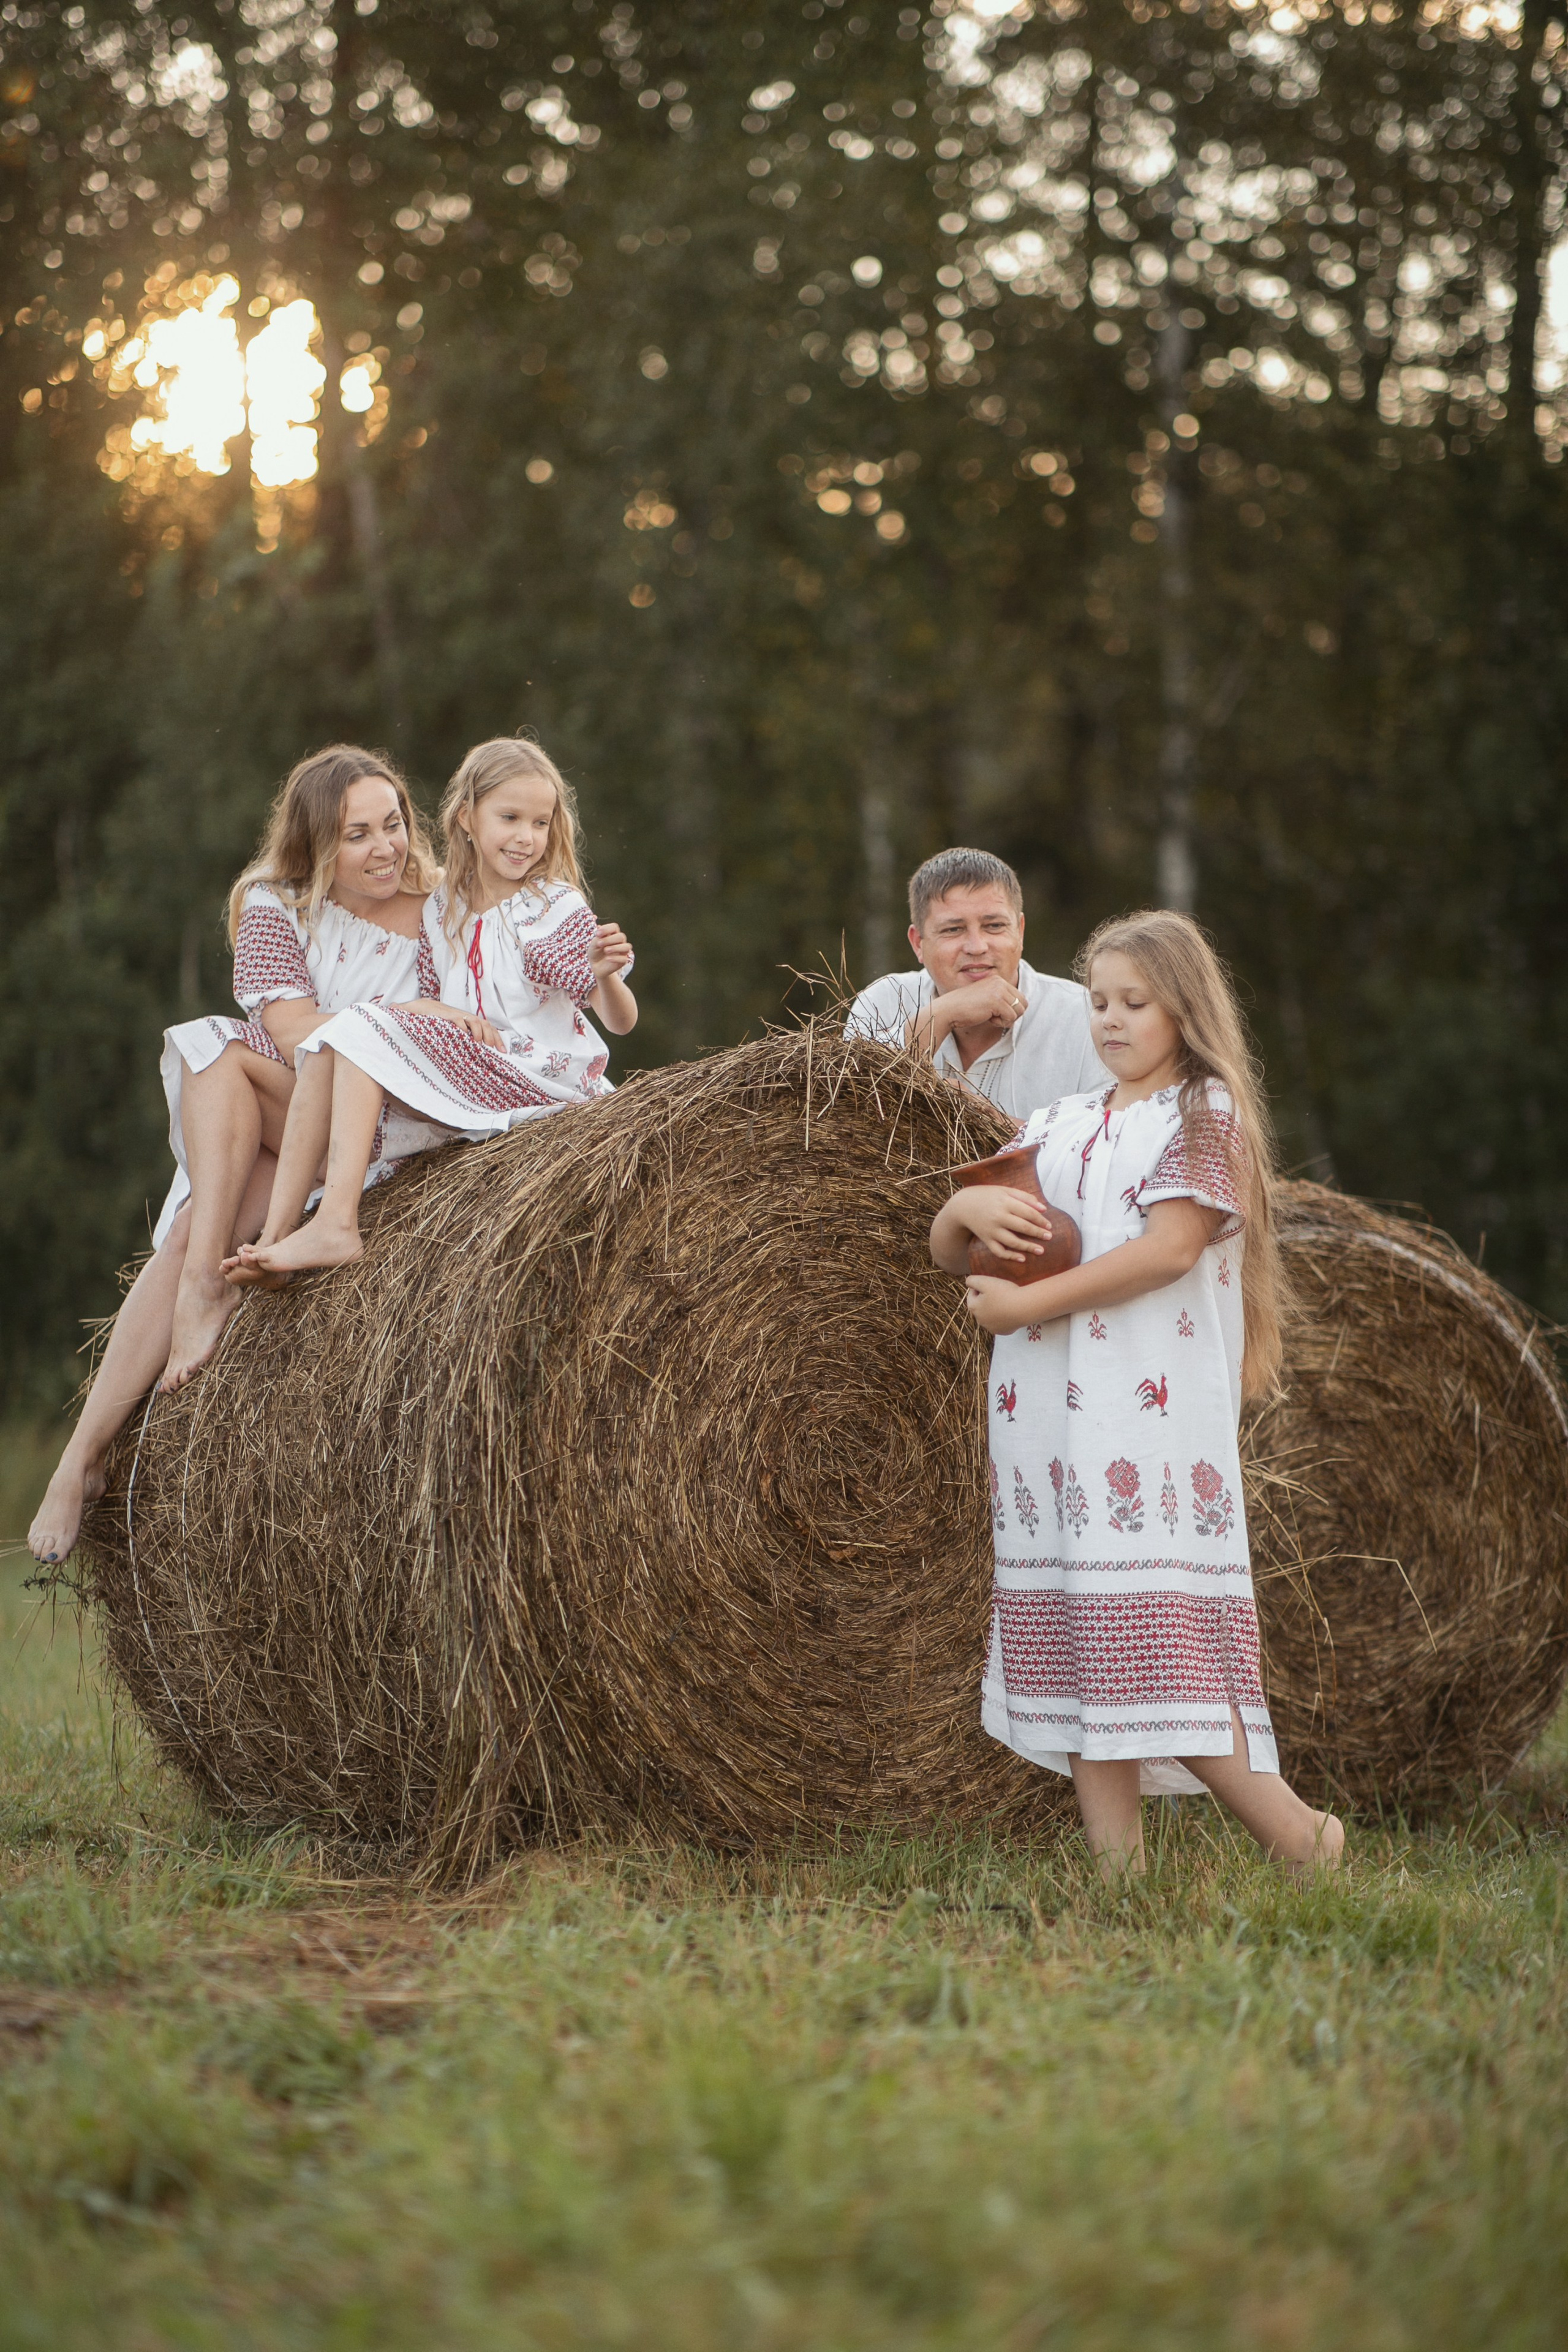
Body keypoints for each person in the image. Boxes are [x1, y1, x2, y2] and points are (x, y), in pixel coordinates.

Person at [929, 908, 1343, 1880]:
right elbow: (960, 1249)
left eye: (1135, 1003)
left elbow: (1170, 1250)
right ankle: (1119, 1874)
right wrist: (959, 1211)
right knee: (1081, 1648)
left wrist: (1022, 1310)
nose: (1110, 1020)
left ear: (1185, 1011)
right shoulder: (1060, 1121)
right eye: (1101, 1003)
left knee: (1154, 1655)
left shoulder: (1206, 1116)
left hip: (1143, 1429)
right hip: (1042, 1430)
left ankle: (1302, 1837)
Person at [28, 744, 442, 1567]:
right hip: (293, 1105)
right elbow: (289, 1034)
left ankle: (201, 1293)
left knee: (216, 1061)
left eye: (394, 823)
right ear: (316, 845)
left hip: (390, 1121)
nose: (387, 846)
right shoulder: (274, 904)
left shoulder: (446, 910)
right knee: (192, 1223)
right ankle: (81, 1462)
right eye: (358, 834)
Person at [228, 734, 636, 1281]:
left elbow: (621, 1021)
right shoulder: (443, 909)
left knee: (359, 1025)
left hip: (540, 1080)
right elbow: (429, 1003)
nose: (526, 838)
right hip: (472, 1066)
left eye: (540, 824)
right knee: (333, 1039)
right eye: (510, 818)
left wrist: (605, 977)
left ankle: (338, 1223)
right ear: (467, 817)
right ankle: (278, 1237)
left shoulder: (551, 907)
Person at [844, 847, 1103, 1117]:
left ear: (1020, 932)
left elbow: (1108, 1140)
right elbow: (849, 1110)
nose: (977, 947)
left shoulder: (1084, 1015)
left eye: (994, 926)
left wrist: (987, 1125)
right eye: (953, 930)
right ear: (918, 943)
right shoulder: (883, 1002)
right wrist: (942, 1014)